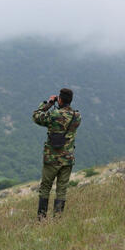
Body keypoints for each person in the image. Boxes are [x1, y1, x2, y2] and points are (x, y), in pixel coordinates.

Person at [32, 88, 81, 219]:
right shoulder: (77, 116)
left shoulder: (54, 115)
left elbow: (36, 116)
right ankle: (57, 218)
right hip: (68, 159)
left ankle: (41, 218)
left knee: (45, 188)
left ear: (59, 99)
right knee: (62, 189)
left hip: (52, 159)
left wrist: (48, 103)